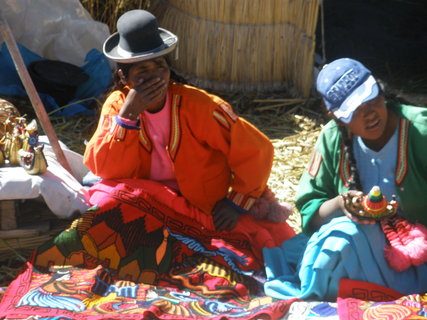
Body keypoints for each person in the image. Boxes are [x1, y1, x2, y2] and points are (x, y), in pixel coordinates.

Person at [69, 8, 295, 281]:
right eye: (142, 70)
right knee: (103, 201)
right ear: (124, 78)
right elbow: (101, 167)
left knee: (242, 244)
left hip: (200, 206)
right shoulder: (118, 105)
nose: (154, 77)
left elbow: (257, 149)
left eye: (160, 67)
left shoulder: (201, 106)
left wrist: (237, 202)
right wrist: (128, 117)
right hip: (147, 200)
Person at [263, 58, 427, 301]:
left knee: (343, 241)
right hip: (363, 243)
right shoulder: (331, 139)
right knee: (336, 242)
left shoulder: (420, 130)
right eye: (355, 110)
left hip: (419, 248)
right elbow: (311, 213)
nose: (369, 113)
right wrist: (341, 204)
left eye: (371, 99)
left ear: (380, 90)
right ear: (338, 117)